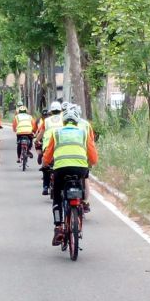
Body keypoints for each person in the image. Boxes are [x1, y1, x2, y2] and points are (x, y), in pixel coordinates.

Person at [43, 107, 98, 246]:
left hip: (61, 169)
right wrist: (91, 163)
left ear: (64, 121)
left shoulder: (57, 133)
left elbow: (48, 155)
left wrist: (45, 164)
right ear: (76, 121)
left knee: (57, 196)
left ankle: (58, 228)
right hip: (80, 168)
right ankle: (81, 205)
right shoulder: (84, 132)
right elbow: (92, 155)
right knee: (81, 183)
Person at [69, 104, 95, 213]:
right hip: (82, 156)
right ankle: (85, 201)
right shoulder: (86, 125)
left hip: (64, 157)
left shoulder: (64, 125)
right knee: (85, 178)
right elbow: (91, 142)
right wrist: (92, 159)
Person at [36, 101, 63, 195]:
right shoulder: (64, 119)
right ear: (61, 110)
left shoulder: (46, 121)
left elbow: (41, 132)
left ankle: (45, 186)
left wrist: (36, 140)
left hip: (48, 146)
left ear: (51, 111)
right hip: (61, 146)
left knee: (45, 166)